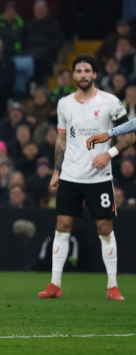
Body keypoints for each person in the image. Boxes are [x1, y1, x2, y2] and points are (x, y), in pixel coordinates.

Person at [40, 55, 134, 301]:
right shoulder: (64, 104)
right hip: (70, 175)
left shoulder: (110, 102)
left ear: (95, 74)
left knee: (104, 228)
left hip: (99, 177)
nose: (82, 75)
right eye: (78, 71)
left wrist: (109, 154)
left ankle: (112, 286)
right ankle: (54, 284)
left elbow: (130, 136)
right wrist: (56, 171)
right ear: (73, 75)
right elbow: (61, 140)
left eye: (87, 71)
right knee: (62, 226)